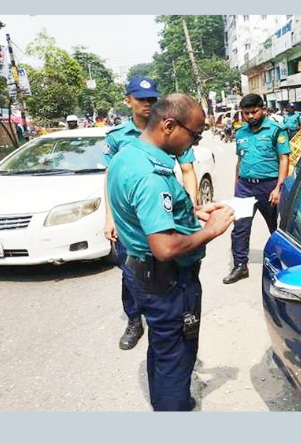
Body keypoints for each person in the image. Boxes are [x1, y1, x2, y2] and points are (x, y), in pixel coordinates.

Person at [107, 93, 235, 411]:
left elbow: (150, 214)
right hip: (167, 280)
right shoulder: (152, 176)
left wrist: (193, 213)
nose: (195, 142)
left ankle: (169, 400)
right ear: (168, 125)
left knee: (163, 347)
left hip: (144, 274)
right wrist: (211, 230)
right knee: (177, 350)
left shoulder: (129, 154)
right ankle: (172, 408)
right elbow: (164, 247)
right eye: (195, 133)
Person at [103, 75, 199, 351]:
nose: (147, 104)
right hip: (131, 218)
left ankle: (165, 323)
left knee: (162, 271)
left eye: (151, 99)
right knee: (132, 268)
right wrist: (110, 217)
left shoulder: (172, 131)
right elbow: (111, 178)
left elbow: (188, 169)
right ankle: (134, 320)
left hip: (160, 212)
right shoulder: (118, 137)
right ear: (128, 101)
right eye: (141, 99)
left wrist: (191, 206)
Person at [223, 94, 291, 284]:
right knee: (240, 228)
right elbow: (240, 160)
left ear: (263, 109)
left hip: (269, 186)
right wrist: (236, 185)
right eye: (246, 113)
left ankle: (283, 266)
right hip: (245, 187)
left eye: (255, 111)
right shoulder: (241, 133)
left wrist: (279, 188)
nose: (251, 116)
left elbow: (284, 159)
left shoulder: (276, 130)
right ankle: (240, 266)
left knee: (276, 228)